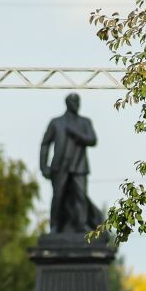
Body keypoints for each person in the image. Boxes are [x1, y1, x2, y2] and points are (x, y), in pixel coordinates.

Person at [39, 93, 103, 234]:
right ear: (67, 103)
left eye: (78, 102)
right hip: (60, 166)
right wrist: (43, 166)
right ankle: (55, 226)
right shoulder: (56, 122)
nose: (77, 105)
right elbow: (45, 144)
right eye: (74, 102)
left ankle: (82, 225)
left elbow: (92, 140)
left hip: (79, 165)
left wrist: (76, 134)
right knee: (58, 197)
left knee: (81, 196)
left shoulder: (85, 122)